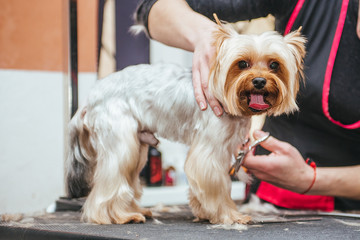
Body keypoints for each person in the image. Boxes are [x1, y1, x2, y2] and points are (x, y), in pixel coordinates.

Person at [135, 0, 360, 211]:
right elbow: (154, 7)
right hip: (275, 202)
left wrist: (309, 179)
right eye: (244, 65)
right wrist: (205, 36)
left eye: (273, 66)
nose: (260, 77)